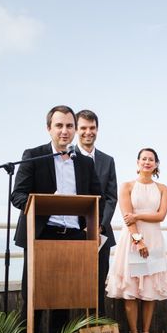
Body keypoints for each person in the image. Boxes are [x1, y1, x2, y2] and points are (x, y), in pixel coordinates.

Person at [11, 105, 103, 333]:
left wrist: (92, 226)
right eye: (59, 126)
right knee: (33, 301)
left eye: (69, 126)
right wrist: (40, 201)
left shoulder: (84, 162)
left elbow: (98, 196)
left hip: (73, 238)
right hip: (41, 235)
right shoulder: (33, 156)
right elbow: (17, 195)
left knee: (65, 300)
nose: (65, 131)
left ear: (75, 129)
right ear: (49, 128)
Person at [106, 148, 167, 333]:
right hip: (133, 240)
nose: (147, 162)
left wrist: (138, 216)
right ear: (137, 162)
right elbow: (127, 216)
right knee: (131, 289)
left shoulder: (162, 188)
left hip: (155, 239)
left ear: (156, 164)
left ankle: (146, 332)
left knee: (150, 288)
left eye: (151, 159)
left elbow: (161, 216)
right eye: (144, 159)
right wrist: (138, 239)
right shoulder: (127, 186)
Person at [75, 109, 117, 316]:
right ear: (76, 129)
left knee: (99, 285)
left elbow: (111, 197)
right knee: (73, 286)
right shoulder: (67, 156)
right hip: (73, 232)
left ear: (97, 129)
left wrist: (99, 224)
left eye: (92, 128)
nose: (88, 132)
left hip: (101, 234)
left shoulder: (107, 160)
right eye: (83, 128)